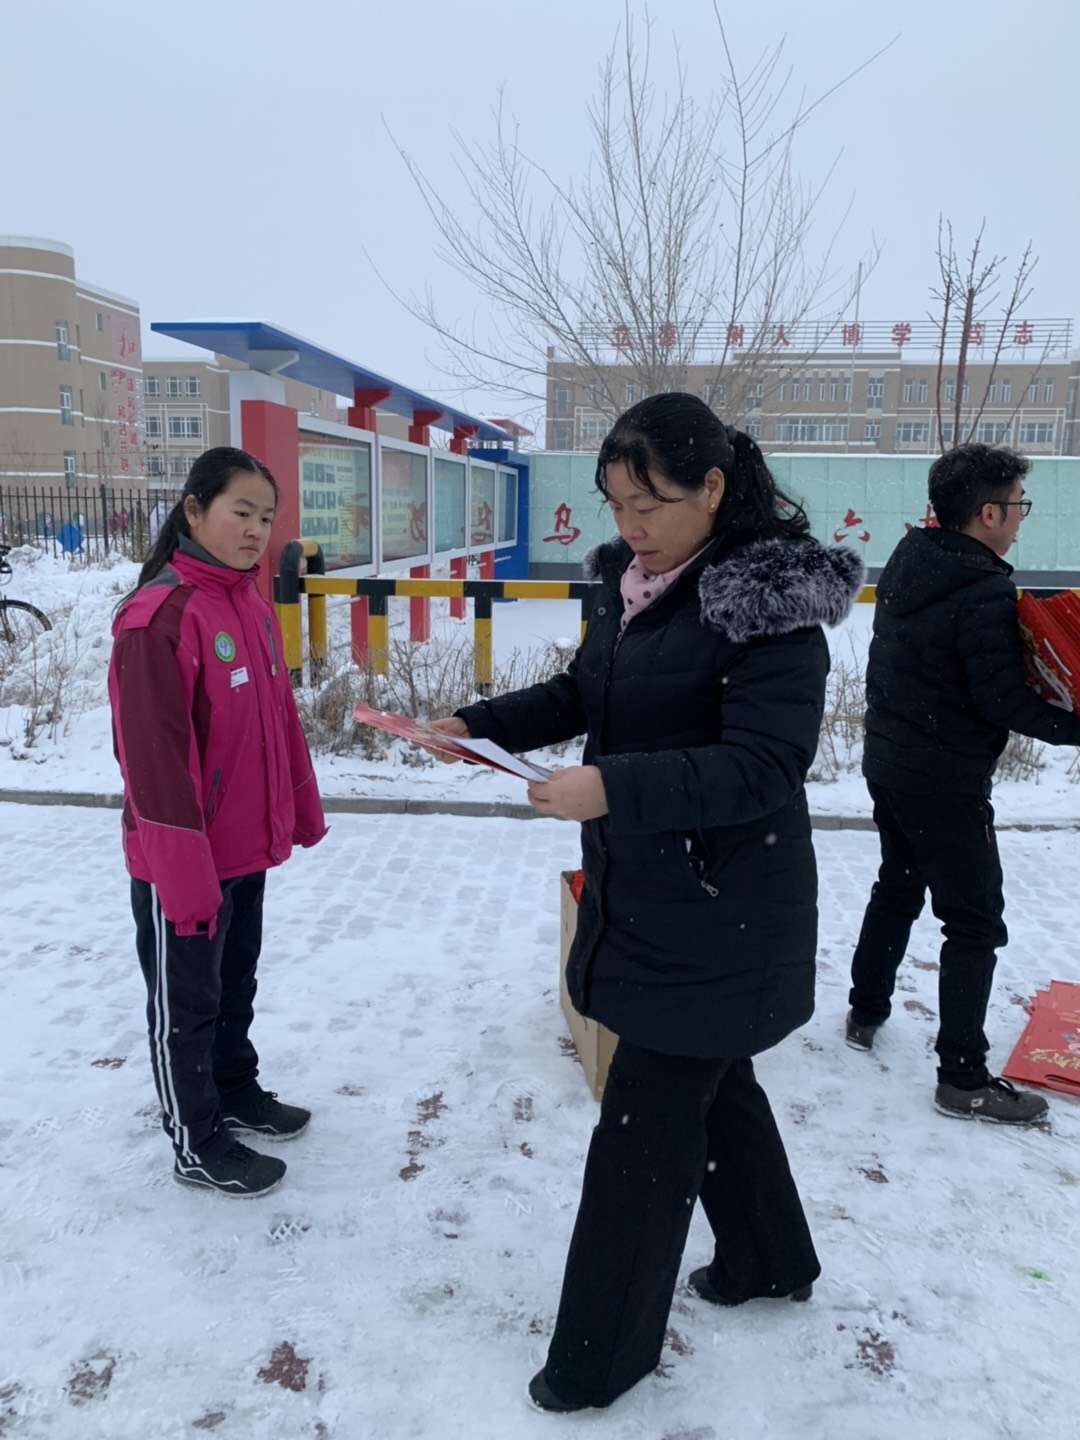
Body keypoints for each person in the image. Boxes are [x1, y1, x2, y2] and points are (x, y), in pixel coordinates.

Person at [427, 394, 865, 1412]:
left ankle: (596, 1364)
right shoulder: (635, 588)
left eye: (650, 503)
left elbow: (763, 766)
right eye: (617, 504)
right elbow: (585, 694)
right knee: (718, 1084)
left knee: (643, 1132)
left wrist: (613, 787)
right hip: (663, 896)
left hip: (723, 909)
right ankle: (769, 1259)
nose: (631, 525)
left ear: (712, 487)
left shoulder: (766, 603)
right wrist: (475, 726)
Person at [108, 447, 327, 1198]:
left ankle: (235, 1090)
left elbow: (277, 724)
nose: (256, 530)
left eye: (267, 517)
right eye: (242, 512)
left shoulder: (248, 604)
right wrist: (185, 880)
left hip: (242, 849)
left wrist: (297, 808)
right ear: (194, 510)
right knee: (186, 1006)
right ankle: (196, 1140)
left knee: (235, 984)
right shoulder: (159, 619)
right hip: (183, 863)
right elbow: (155, 771)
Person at [846, 443, 1080, 1124]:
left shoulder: (912, 561)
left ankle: (865, 1010)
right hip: (945, 779)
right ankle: (963, 1079)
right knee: (975, 924)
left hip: (891, 762)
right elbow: (1003, 701)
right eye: (1017, 505)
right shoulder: (982, 590)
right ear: (988, 514)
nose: (1021, 518)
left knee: (898, 885)